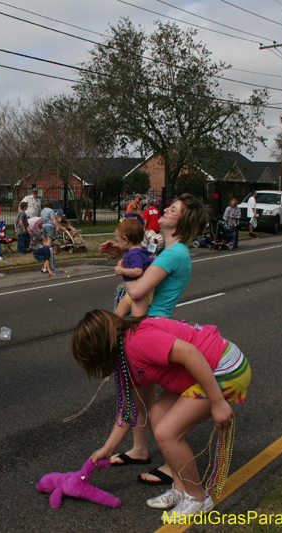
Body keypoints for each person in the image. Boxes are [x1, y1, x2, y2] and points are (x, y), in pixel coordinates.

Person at [72, 310, 250, 519]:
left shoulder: (138, 341)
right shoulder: (124, 357)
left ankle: (197, 498)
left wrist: (218, 403)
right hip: (200, 371)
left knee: (167, 433)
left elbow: (191, 353)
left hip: (224, 369)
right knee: (156, 416)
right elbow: (129, 410)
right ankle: (181, 489)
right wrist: (107, 449)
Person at [99, 193, 206, 486]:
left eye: (173, 210)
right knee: (143, 394)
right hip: (149, 324)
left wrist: (119, 269)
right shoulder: (170, 251)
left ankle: (173, 463)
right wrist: (120, 255)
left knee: (136, 394)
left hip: (148, 328)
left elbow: (136, 290)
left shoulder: (173, 253)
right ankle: (140, 449)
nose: (166, 211)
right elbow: (140, 272)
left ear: (183, 221)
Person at [113, 218, 153, 318]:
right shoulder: (136, 252)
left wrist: (121, 270)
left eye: (118, 241)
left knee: (137, 319)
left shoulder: (135, 254)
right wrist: (123, 261)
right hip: (132, 292)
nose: (117, 243)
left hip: (141, 296)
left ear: (125, 240)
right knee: (117, 315)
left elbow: (137, 271)